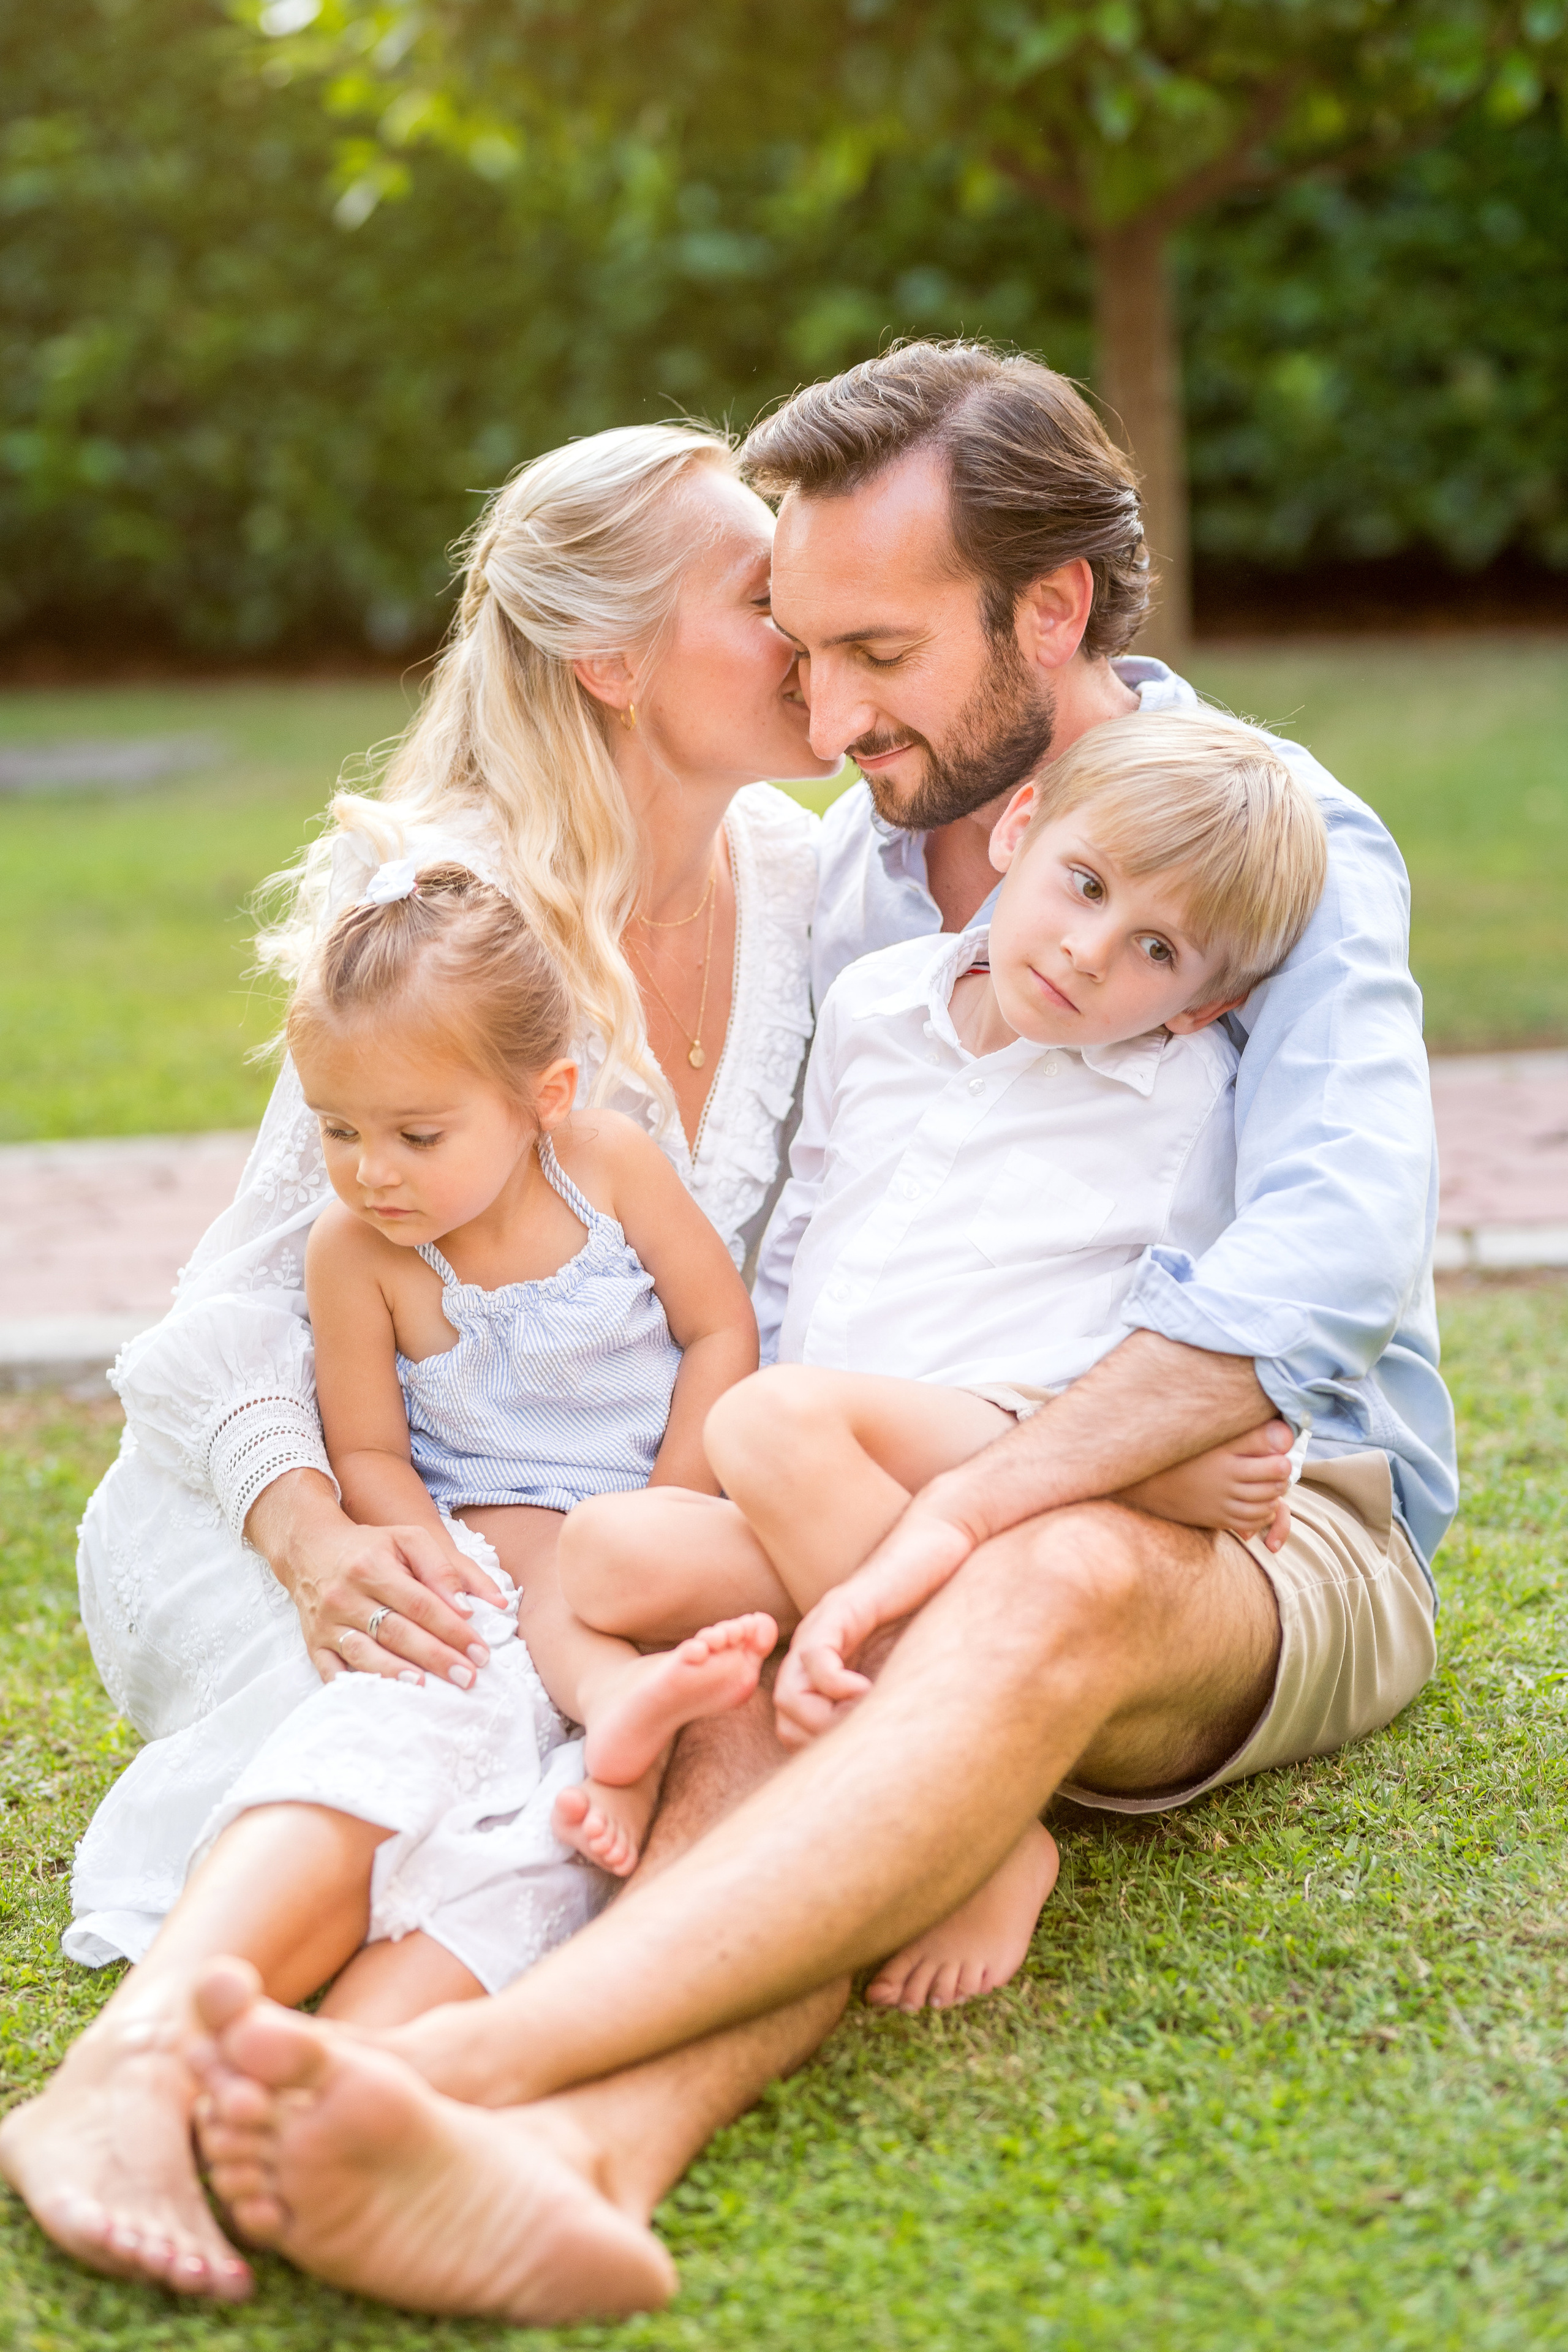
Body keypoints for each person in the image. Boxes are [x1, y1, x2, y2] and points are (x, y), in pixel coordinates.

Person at [158, 341, 1453, 2330]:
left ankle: (455, 2076)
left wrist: (1024, 1469)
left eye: (874, 648)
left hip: (1268, 1510)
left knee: (1039, 1568)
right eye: (795, 638)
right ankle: (585, 2154)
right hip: (885, 1462)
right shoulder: (853, 876)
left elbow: (1338, 1240)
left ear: (1049, 609)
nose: (824, 706)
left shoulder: (1260, 845)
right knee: (773, 1654)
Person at [0, 422, 832, 2296]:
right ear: (612, 662)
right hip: (293, 1500)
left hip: (591, 1518)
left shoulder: (796, 880)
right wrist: (323, 1531)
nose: (813, 628)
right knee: (450, 1692)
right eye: (760, 595)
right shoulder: (448, 908)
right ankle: (123, 2076)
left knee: (599, 1764)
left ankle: (342, 2093)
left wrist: (655, 1534)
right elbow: (236, 1310)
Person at [557, 704, 1327, 2006]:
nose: (1088, 953)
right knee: (608, 1552)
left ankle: (985, 1841)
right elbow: (800, 1237)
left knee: (765, 1423)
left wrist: (1155, 1470)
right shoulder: (872, 1007)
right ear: (1020, 831)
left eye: (1155, 950)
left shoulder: (1183, 1103)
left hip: (1012, 1440)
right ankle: (904, 1707)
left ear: (1201, 1007)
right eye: (1081, 886)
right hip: (854, 1469)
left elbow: (1214, 1324)